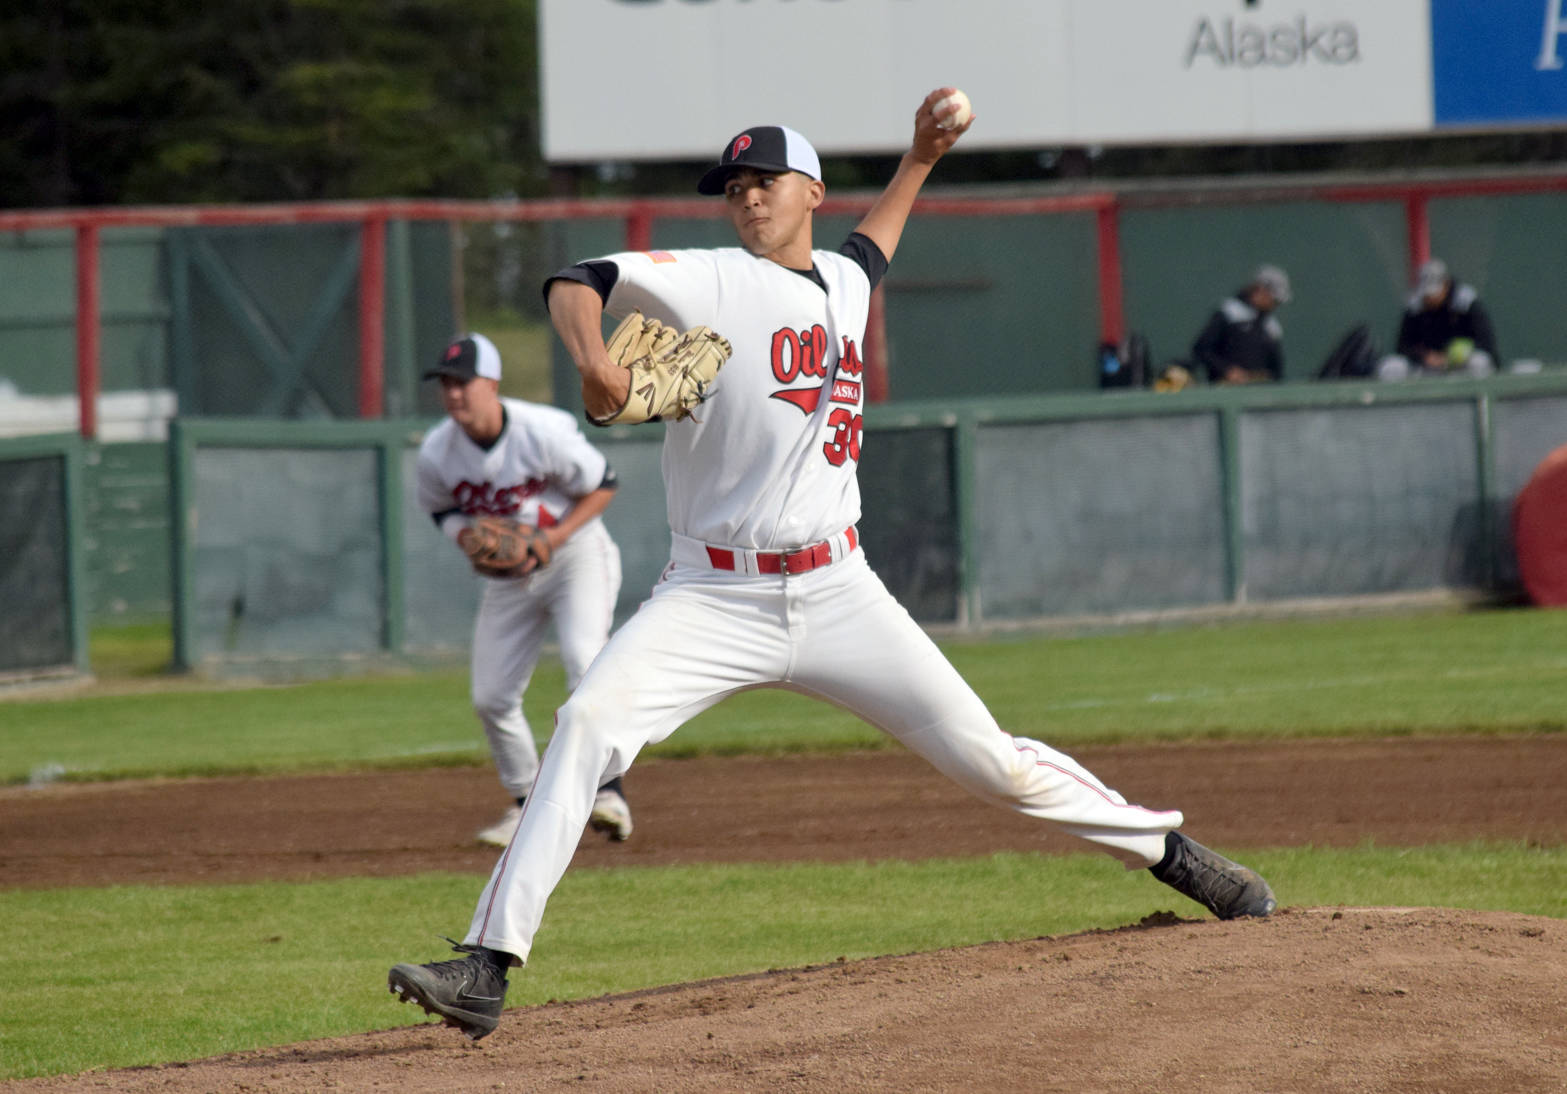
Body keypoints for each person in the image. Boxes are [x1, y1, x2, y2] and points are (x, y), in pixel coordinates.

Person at [388, 89, 1276, 1041]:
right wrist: (596, 359)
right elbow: (575, 277)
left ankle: (1171, 854)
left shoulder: (844, 282)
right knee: (587, 722)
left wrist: (921, 157)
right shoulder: (713, 278)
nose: (746, 200)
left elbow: (873, 242)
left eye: (763, 182)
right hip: (711, 593)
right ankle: (487, 966)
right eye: (733, 188)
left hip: (839, 589)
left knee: (992, 765)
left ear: (810, 190)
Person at [416, 332, 633, 848]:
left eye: (463, 383)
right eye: (445, 384)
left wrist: (553, 537)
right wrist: (465, 536)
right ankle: (527, 805)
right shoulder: (436, 451)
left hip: (576, 556)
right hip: (511, 578)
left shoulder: (542, 432)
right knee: (491, 697)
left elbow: (604, 482)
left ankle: (609, 793)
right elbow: (441, 507)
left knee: (586, 664)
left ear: (491, 384)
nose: (453, 395)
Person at [1376, 259, 1498, 380]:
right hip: (1424, 369)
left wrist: (1453, 355)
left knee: (1478, 362)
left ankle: (1481, 399)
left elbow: (1486, 343)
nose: (1430, 298)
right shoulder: (1415, 307)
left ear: (1446, 285)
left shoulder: (1466, 302)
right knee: (1390, 366)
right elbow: (1402, 346)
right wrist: (1424, 356)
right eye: (1427, 294)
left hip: (1458, 367)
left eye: (1434, 293)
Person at [1190, 265, 1291, 384]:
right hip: (1223, 391)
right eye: (1273, 299)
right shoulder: (1228, 313)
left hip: (1258, 395)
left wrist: (1264, 376)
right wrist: (1226, 370)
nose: (1274, 304)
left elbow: (1276, 370)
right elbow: (1201, 349)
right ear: (1259, 289)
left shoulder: (1271, 326)